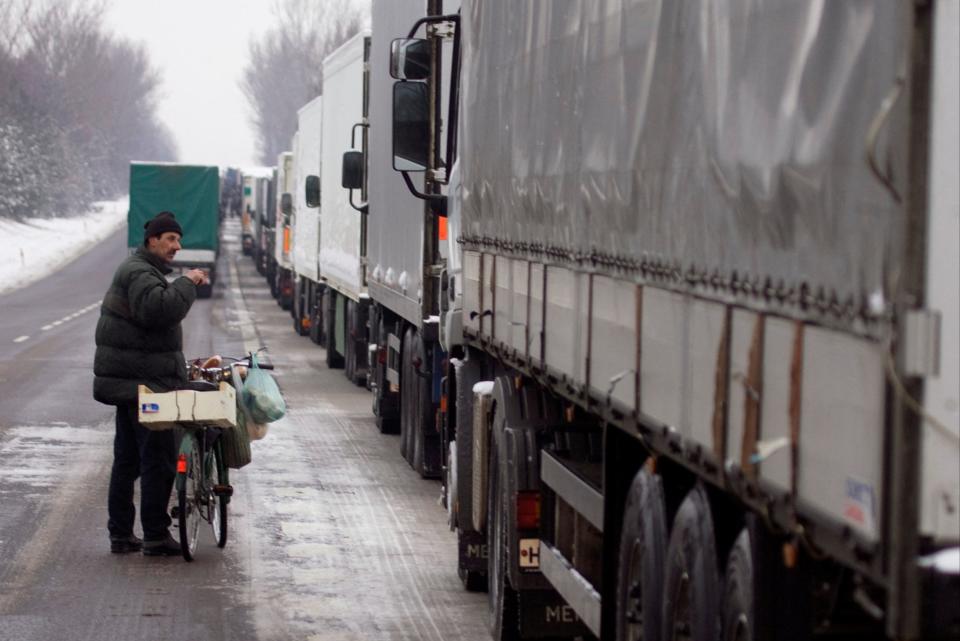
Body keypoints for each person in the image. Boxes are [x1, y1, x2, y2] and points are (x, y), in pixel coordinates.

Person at [93, 211, 210, 556]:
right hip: (144, 386)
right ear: (152, 241)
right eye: (171, 239)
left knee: (127, 461)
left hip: (132, 382)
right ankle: (156, 536)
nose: (177, 245)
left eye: (178, 239)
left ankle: (121, 535)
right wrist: (187, 282)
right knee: (157, 460)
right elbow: (158, 311)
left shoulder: (139, 271)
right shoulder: (140, 273)